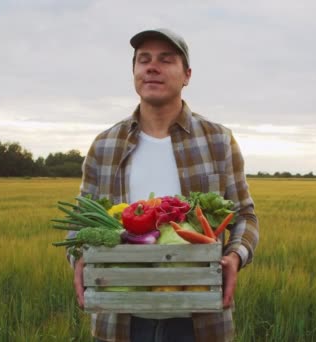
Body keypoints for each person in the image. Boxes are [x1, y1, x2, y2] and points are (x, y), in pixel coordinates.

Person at [68, 28, 259, 342]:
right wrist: (78, 257)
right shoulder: (104, 145)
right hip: (121, 319)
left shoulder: (217, 140)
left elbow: (245, 217)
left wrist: (235, 256)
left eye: (165, 60)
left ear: (187, 75)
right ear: (134, 73)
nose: (152, 67)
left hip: (199, 319)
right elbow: (79, 221)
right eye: (144, 60)